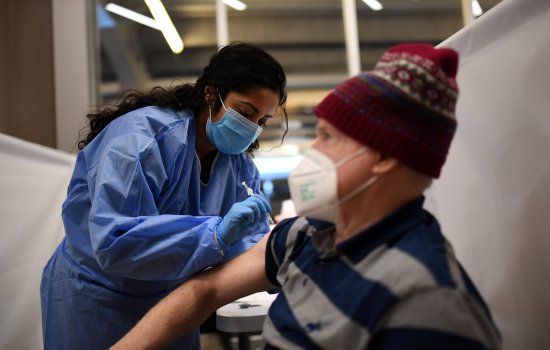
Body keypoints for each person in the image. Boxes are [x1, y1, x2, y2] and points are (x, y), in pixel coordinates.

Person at [110, 44, 502, 350]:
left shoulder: (429, 302)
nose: (312, 150)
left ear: (382, 157)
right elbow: (205, 290)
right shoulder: (304, 235)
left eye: (328, 137)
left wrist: (224, 237)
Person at [40, 42, 288, 350]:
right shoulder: (140, 140)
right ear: (211, 94)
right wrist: (215, 235)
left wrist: (276, 252)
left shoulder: (239, 167)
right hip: (97, 296)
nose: (251, 128)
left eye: (262, 121)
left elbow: (245, 246)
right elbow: (114, 241)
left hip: (173, 301)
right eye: (245, 112)